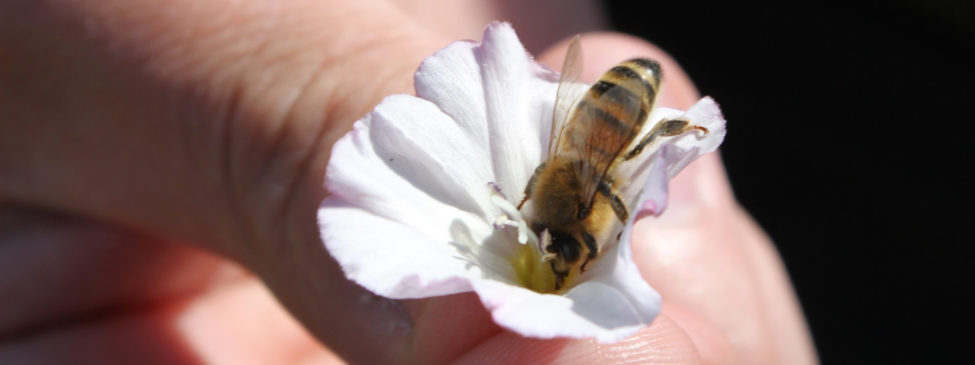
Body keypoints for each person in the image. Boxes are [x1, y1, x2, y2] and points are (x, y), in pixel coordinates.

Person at [0, 0, 816, 363]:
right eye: (560, 251)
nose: (547, 257)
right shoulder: (552, 213)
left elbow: (601, 168)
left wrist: (674, 144)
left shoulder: (582, 212)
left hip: (612, 108)